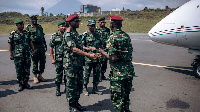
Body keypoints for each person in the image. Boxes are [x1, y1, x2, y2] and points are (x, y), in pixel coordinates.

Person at [100, 15, 135, 112]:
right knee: (126, 97)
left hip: (118, 73)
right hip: (128, 71)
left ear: (112, 24)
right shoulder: (126, 36)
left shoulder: (112, 37)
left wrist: (103, 53)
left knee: (118, 99)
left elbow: (113, 57)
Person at [63, 14, 96, 112]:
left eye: (78, 21)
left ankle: (76, 103)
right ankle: (71, 105)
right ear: (70, 22)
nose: (78, 23)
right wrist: (88, 55)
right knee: (71, 85)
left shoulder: (76, 34)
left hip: (78, 64)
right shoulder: (68, 33)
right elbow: (73, 49)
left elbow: (80, 47)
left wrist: (89, 49)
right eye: (76, 21)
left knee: (79, 85)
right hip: (71, 64)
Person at [8, 19, 35, 92]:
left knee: (26, 70)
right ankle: (20, 84)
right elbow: (10, 44)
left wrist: (33, 50)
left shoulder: (27, 33)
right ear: (16, 25)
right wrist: (11, 54)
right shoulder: (13, 33)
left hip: (26, 55)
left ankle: (26, 83)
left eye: (22, 24)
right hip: (17, 55)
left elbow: (30, 42)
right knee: (19, 70)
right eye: (20, 24)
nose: (22, 26)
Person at [82, 20, 103, 96]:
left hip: (97, 58)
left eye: (93, 25)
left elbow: (101, 45)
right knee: (86, 74)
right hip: (88, 58)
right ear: (88, 26)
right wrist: (89, 49)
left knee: (97, 74)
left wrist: (101, 53)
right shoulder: (85, 35)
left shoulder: (98, 35)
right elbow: (82, 46)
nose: (92, 27)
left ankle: (95, 88)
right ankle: (85, 88)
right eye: (90, 26)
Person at [25, 15, 47, 83]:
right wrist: (30, 48)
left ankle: (40, 75)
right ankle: (35, 76)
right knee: (35, 61)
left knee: (43, 61)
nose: (34, 21)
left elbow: (42, 36)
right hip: (34, 46)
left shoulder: (39, 27)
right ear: (31, 21)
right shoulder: (28, 28)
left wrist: (45, 44)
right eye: (33, 20)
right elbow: (27, 39)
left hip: (41, 46)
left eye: (35, 20)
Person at [49, 21, 67, 96]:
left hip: (67, 59)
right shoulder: (54, 36)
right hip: (58, 59)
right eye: (61, 26)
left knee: (67, 74)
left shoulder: (68, 35)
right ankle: (58, 89)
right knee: (58, 75)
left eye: (64, 26)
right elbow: (51, 47)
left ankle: (67, 88)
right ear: (58, 27)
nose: (63, 27)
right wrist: (52, 58)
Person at [96, 17, 110, 81]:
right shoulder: (96, 30)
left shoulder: (107, 30)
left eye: (104, 22)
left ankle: (102, 75)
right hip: (98, 49)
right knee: (98, 63)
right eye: (101, 22)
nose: (102, 23)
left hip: (105, 49)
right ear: (99, 23)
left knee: (104, 64)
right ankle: (98, 76)